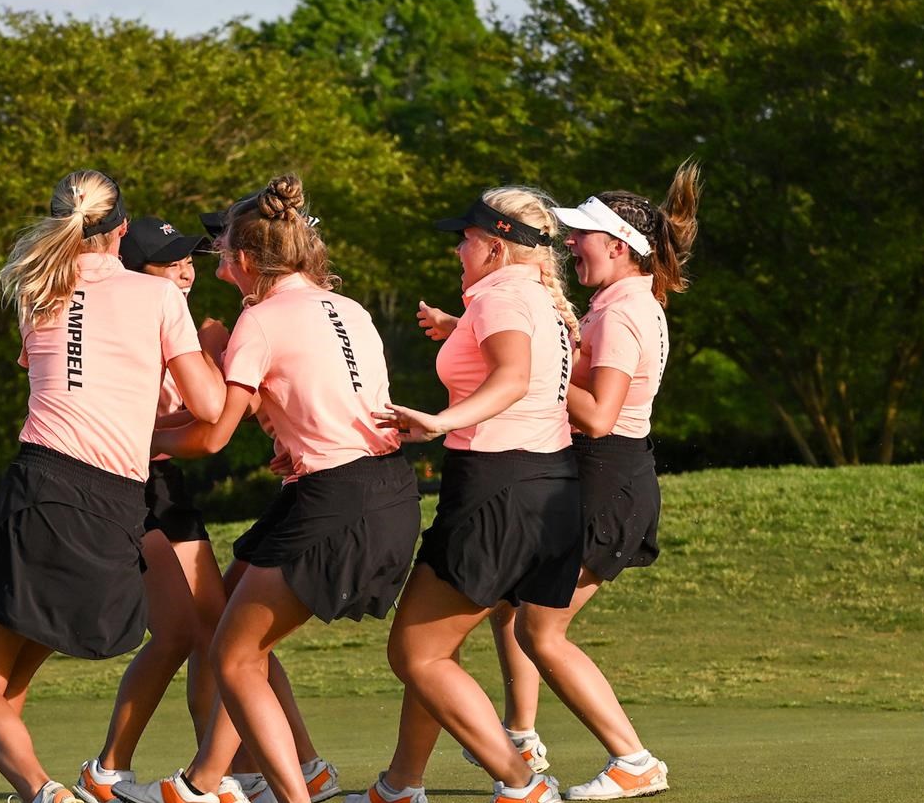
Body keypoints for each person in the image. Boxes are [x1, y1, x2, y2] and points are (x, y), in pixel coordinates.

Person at [119, 177, 415, 803]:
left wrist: (129, 434)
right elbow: (310, 399)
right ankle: (233, 779)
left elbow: (213, 437)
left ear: (248, 260)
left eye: (221, 252)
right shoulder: (350, 307)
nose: (214, 264)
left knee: (232, 654)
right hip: (383, 488)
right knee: (234, 623)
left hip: (336, 498)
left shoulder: (260, 318)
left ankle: (272, 789)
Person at [0, 171, 227, 803]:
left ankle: (44, 793)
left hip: (41, 487)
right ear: (122, 228)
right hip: (117, 504)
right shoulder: (159, 300)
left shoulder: (35, 286)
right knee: (3, 681)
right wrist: (214, 349)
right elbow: (209, 406)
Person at [443, 163, 699, 801]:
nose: (569, 244)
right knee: (514, 608)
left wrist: (535, 380)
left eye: (583, 235)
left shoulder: (621, 315)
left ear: (619, 246)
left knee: (539, 629)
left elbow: (601, 413)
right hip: (602, 475)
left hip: (608, 477)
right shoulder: (621, 303)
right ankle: (522, 734)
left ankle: (633, 759)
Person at [351, 188, 582, 803]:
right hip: (542, 485)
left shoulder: (503, 296)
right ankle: (401, 785)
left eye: (467, 238)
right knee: (436, 649)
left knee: (415, 651)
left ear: (497, 246)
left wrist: (439, 422)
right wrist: (459, 331)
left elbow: (512, 377)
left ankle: (521, 782)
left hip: (498, 486)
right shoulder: (526, 298)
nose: (459, 248)